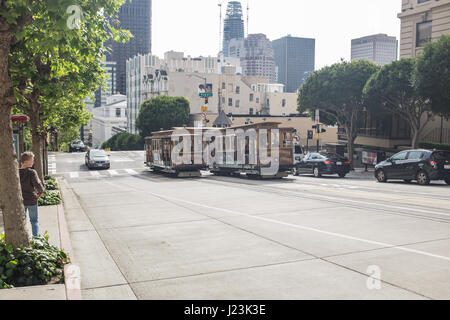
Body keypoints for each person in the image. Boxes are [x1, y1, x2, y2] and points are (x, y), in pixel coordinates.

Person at [19, 152, 45, 238]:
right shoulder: (32, 172)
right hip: (31, 200)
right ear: (26, 161)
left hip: (20, 200)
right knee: (34, 221)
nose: (33, 162)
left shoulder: (16, 172)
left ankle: (24, 238)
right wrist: (41, 192)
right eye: (32, 160)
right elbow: (37, 184)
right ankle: (36, 238)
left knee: (23, 220)